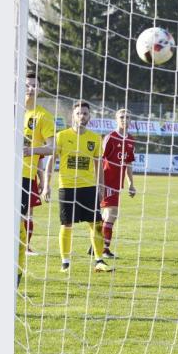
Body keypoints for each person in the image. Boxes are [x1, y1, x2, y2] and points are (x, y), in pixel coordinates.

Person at [43, 101, 113, 273]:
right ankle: (65, 263)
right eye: (78, 113)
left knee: (96, 223)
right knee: (66, 225)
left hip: (88, 187)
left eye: (85, 113)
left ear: (89, 116)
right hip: (67, 187)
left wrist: (101, 186)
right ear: (72, 116)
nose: (82, 116)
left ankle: (99, 260)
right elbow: (51, 162)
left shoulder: (95, 139)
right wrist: (46, 186)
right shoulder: (61, 136)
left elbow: (99, 165)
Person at [19, 72, 55, 285]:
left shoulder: (43, 116)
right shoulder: (13, 110)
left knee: (18, 224)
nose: (30, 88)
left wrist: (30, 150)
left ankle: (17, 268)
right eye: (27, 85)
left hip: (23, 176)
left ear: (39, 89)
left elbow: (52, 148)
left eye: (34, 85)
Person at [97, 109, 137, 258]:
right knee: (112, 213)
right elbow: (100, 160)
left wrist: (131, 184)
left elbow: (128, 164)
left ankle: (96, 244)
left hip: (117, 183)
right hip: (107, 181)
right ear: (116, 119)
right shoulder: (110, 137)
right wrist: (100, 182)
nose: (125, 119)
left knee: (107, 214)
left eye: (128, 117)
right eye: (122, 117)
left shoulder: (131, 139)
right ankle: (104, 250)